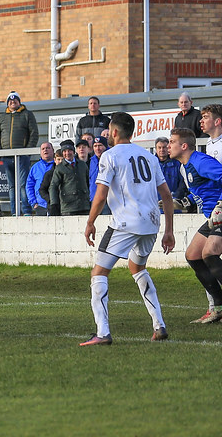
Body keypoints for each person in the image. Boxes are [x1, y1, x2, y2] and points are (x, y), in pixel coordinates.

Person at [80, 112, 173, 346]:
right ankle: (159, 325)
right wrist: (169, 231)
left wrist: (90, 222)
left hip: (125, 222)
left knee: (99, 273)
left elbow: (101, 194)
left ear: (114, 131)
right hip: (151, 222)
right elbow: (166, 195)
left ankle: (103, 332)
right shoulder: (149, 156)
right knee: (137, 267)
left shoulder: (110, 156)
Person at [169, 127, 222, 324]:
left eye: (172, 142)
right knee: (193, 255)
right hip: (212, 218)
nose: (168, 146)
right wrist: (185, 202)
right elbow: (203, 189)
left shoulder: (200, 161)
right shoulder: (185, 167)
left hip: (220, 213)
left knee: (209, 252)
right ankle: (218, 307)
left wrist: (221, 205)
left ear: (184, 146)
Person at [0, 91, 39, 216]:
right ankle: (14, 211)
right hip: (7, 156)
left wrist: (27, 151)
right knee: (11, 186)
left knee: (23, 184)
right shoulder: (3, 117)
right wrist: (0, 151)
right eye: (10, 101)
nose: (12, 103)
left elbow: (34, 133)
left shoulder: (27, 114)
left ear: (19, 102)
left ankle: (26, 210)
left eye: (15, 101)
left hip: (22, 156)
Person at [49, 140, 89, 216]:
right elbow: (53, 186)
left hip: (84, 206)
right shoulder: (59, 168)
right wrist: (54, 204)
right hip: (68, 207)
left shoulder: (82, 165)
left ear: (73, 151)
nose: (67, 153)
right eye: (64, 151)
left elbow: (87, 182)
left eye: (69, 150)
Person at [155, 137, 190, 212]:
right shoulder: (150, 164)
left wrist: (176, 197)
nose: (162, 150)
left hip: (174, 206)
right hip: (155, 206)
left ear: (168, 148)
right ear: (156, 149)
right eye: (159, 147)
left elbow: (183, 183)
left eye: (164, 147)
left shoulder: (177, 163)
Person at [26, 142, 55, 216]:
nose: (45, 150)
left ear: (53, 150)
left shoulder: (58, 165)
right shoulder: (35, 167)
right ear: (40, 153)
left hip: (55, 205)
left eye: (48, 148)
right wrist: (34, 203)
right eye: (43, 149)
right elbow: (29, 186)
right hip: (40, 206)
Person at [39, 149, 64, 215]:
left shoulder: (69, 172)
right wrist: (50, 199)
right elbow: (42, 190)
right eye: (58, 159)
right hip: (53, 206)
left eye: (62, 159)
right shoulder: (49, 174)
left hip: (66, 206)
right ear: (54, 160)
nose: (60, 161)